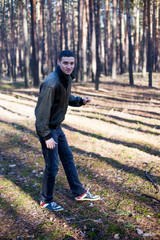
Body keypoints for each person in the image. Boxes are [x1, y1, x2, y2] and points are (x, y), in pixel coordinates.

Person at [35, 50, 100, 211]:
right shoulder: (51, 83)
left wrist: (80, 101)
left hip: (57, 127)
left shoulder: (65, 78)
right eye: (65, 63)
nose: (69, 66)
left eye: (71, 63)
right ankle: (46, 200)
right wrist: (47, 136)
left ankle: (79, 193)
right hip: (48, 130)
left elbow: (66, 97)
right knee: (52, 166)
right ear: (58, 62)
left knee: (68, 159)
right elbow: (41, 114)